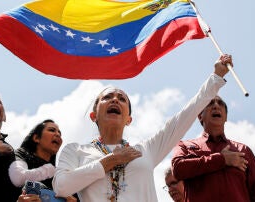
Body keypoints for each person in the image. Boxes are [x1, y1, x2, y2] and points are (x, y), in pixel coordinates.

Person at [52, 54, 232, 202]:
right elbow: (62, 186)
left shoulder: (145, 150)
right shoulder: (75, 151)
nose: (115, 100)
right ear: (94, 116)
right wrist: (110, 160)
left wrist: (216, 77)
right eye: (108, 97)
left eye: (122, 99)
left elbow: (184, 117)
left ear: (128, 119)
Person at [171, 96, 255, 201]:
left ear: (226, 117)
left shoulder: (243, 150)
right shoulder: (184, 146)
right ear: (200, 116)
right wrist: (222, 159)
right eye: (210, 103)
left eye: (220, 103)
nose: (216, 106)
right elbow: (178, 169)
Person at [9, 119, 77, 202]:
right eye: (52, 130)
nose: (58, 134)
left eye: (59, 133)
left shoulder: (58, 174)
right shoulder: (19, 156)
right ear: (36, 138)